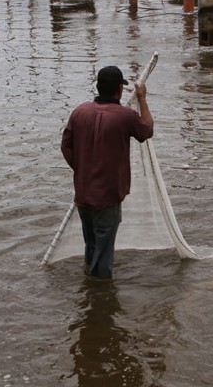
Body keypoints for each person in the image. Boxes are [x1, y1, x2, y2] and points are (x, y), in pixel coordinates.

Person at [61, 66, 154, 278]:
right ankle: (101, 297)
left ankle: (89, 292)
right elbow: (148, 130)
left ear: (98, 87)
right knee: (103, 254)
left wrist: (80, 170)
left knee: (92, 245)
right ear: (119, 91)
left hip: (83, 194)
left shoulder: (79, 112)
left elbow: (65, 147)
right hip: (108, 197)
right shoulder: (125, 116)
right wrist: (142, 99)